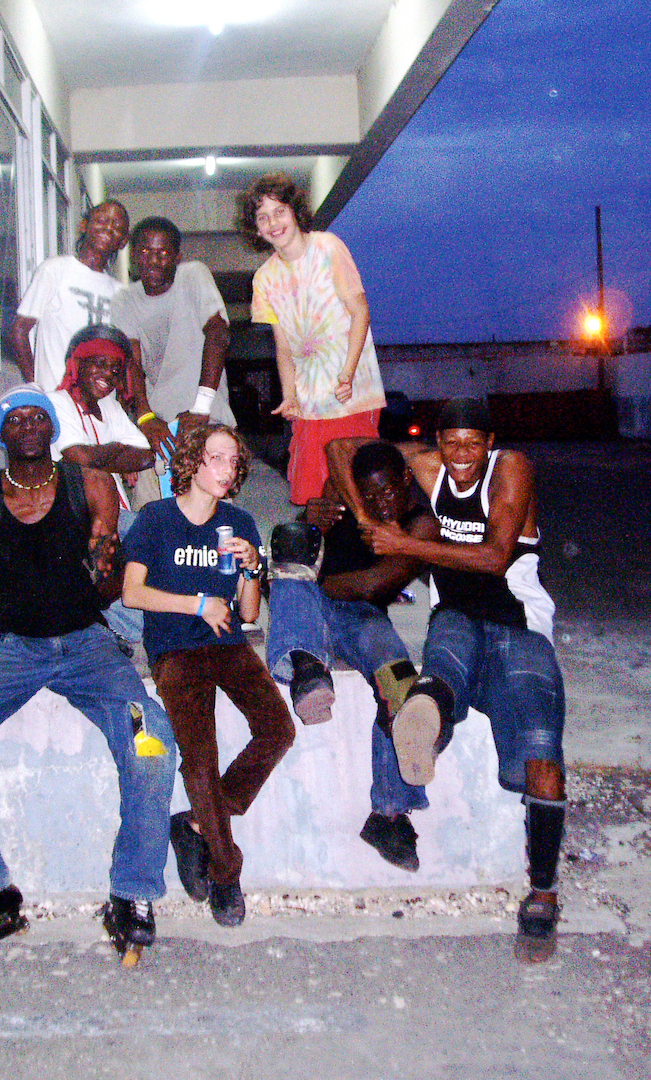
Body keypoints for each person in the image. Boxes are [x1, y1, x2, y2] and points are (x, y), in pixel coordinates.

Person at [0, 384, 176, 958]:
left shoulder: (93, 486)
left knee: (149, 738)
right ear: (1, 434)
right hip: (12, 650)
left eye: (38, 417)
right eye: (15, 418)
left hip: (88, 647)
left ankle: (132, 894)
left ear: (52, 429)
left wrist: (108, 566)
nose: (27, 425)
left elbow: (107, 591)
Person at [327, 398, 567, 948]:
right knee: (438, 671)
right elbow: (340, 447)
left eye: (473, 443)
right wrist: (366, 523)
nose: (461, 456)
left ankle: (545, 889)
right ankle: (428, 724)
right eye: (450, 443)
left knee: (542, 751)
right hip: (456, 615)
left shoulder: (511, 468)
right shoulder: (430, 465)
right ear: (436, 443)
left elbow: (494, 555)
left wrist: (406, 544)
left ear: (490, 441)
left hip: (519, 626)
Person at [121, 424, 295, 927]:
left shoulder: (240, 521)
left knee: (278, 730)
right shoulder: (155, 519)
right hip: (176, 651)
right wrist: (196, 604)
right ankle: (226, 872)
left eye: (233, 461)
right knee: (200, 760)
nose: (225, 470)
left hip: (229, 645)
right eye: (216, 458)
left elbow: (249, 612)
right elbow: (133, 594)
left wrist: (251, 570)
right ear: (192, 462)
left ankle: (197, 820)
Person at [266, 440, 440, 872]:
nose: (380, 503)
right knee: (288, 543)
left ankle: (389, 813)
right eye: (370, 494)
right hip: (309, 605)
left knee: (400, 683)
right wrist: (312, 517)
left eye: (387, 491)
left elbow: (378, 584)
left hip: (358, 613)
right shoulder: (347, 497)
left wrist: (316, 585)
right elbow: (299, 543)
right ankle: (308, 669)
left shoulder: (422, 525)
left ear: (406, 479)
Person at [238, 172, 386, 506]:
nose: (273, 223)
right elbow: (283, 345)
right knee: (310, 495)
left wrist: (347, 374)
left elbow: (360, 312)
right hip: (309, 402)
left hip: (352, 395)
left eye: (279, 212)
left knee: (358, 493)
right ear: (256, 229)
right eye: (263, 217)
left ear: (294, 211)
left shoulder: (328, 247)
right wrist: (289, 396)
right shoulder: (264, 279)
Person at [47, 324, 156, 646]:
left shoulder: (109, 406)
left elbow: (145, 455)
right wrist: (117, 455)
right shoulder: (55, 402)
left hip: (121, 517)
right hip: (84, 523)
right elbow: (77, 456)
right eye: (99, 363)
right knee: (141, 621)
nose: (107, 374)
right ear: (76, 364)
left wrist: (99, 458)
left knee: (163, 535)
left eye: (115, 368)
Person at [113, 216, 235, 462]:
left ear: (177, 258)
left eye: (163, 252)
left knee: (212, 497)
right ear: (133, 255)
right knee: (153, 501)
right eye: (146, 251)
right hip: (158, 426)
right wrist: (145, 418)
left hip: (207, 418)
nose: (154, 261)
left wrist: (201, 408)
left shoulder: (193, 276)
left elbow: (218, 334)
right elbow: (131, 363)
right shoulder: (124, 300)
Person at [10, 200, 130, 390]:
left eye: (117, 227)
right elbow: (19, 331)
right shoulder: (54, 270)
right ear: (84, 225)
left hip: (100, 404)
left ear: (123, 241)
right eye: (101, 220)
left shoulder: (121, 292)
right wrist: (37, 388)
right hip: (57, 398)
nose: (108, 228)